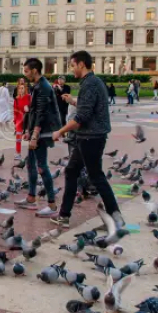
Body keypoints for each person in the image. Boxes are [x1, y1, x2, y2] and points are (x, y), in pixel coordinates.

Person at [52, 50, 125, 229]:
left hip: (91, 138)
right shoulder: (93, 82)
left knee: (96, 176)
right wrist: (73, 102)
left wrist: (60, 131)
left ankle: (115, 218)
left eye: (73, 66)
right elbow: (89, 108)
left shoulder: (90, 83)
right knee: (72, 171)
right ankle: (64, 215)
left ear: (81, 64)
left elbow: (81, 118)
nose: (71, 70)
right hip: (88, 137)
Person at [16, 58, 60, 215]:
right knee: (30, 164)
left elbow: (41, 112)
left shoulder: (43, 87)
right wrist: (28, 130)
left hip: (42, 131)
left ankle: (52, 205)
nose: (25, 74)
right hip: (37, 130)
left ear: (35, 70)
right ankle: (31, 197)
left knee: (42, 167)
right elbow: (34, 111)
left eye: (27, 71)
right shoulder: (37, 85)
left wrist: (34, 135)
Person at [13, 79, 31, 162]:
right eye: (19, 88)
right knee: (18, 137)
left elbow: (34, 108)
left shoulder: (29, 97)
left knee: (29, 137)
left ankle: (31, 155)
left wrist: (28, 109)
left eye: (22, 88)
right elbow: (15, 112)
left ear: (25, 89)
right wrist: (15, 122)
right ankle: (18, 153)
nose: (21, 90)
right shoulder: (16, 99)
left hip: (28, 120)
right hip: (19, 121)